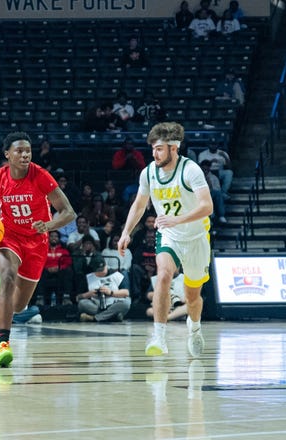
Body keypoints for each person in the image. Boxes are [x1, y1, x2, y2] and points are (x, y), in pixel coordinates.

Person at [0, 131, 76, 367]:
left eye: (28, 151)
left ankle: (0, 290)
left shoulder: (40, 176)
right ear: (7, 154)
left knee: (18, 306)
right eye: (19, 151)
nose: (25, 155)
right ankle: (3, 344)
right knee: (8, 274)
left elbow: (69, 212)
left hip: (36, 242)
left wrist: (49, 225)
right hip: (9, 236)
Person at [118, 122, 213, 358]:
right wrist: (126, 231)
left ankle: (195, 326)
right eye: (152, 148)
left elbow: (207, 206)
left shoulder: (190, 170)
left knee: (192, 297)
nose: (154, 154)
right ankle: (159, 337)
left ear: (174, 148)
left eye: (159, 148)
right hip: (169, 235)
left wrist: (178, 219)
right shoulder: (149, 172)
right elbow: (139, 204)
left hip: (196, 236)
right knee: (163, 275)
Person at [77, 258, 131, 323]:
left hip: (113, 304)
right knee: (82, 303)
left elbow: (126, 293)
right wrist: (89, 294)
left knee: (126, 302)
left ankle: (95, 318)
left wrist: (111, 292)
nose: (102, 272)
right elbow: (78, 298)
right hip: (97, 305)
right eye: (98, 271)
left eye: (103, 269)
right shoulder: (88, 278)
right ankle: (112, 316)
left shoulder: (117, 275)